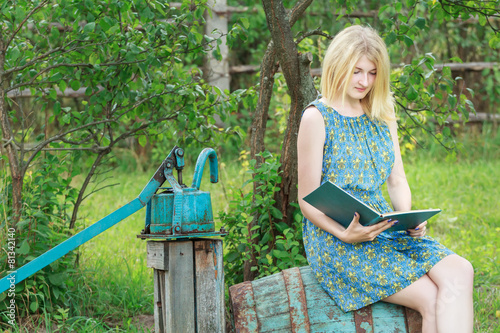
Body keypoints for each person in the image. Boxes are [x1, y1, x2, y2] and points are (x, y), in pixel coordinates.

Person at [297, 25, 474, 333]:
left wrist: (409, 219)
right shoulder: (317, 118)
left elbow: (397, 179)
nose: (365, 81)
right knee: (430, 298)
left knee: (461, 269)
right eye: (356, 71)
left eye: (373, 73)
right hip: (339, 241)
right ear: (339, 66)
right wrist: (345, 234)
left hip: (386, 228)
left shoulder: (381, 110)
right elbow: (306, 200)